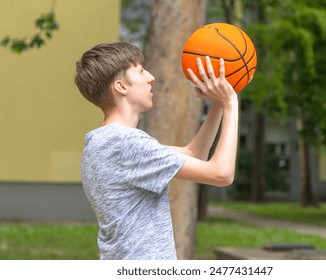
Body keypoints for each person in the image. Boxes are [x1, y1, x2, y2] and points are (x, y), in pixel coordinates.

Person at [74, 42, 238, 260]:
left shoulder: (102, 142)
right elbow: (221, 173)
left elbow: (193, 154)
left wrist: (217, 104)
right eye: (141, 71)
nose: (150, 77)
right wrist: (231, 103)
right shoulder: (126, 143)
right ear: (121, 86)